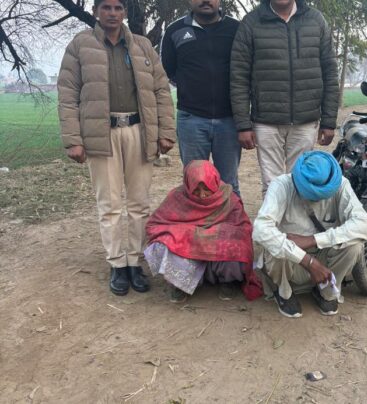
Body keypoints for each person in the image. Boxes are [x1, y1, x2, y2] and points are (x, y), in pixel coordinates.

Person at [57, 0, 176, 296]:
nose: (112, 13)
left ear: (124, 12)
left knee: (139, 202)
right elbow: (68, 93)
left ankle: (135, 261)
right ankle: (117, 264)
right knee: (109, 204)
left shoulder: (142, 46)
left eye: (118, 8)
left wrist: (165, 131)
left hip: (138, 131)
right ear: (96, 11)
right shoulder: (80, 45)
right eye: (106, 7)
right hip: (101, 134)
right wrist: (73, 139)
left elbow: (161, 90)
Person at [230, 0, 339, 195]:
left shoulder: (316, 20)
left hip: (305, 121)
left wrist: (329, 121)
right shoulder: (251, 23)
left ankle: (294, 217)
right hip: (266, 122)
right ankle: (274, 216)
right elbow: (238, 76)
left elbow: (330, 72)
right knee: (272, 186)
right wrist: (243, 125)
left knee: (300, 183)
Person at [253, 151, 367, 318]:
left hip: (323, 260)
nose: (317, 200)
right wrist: (308, 262)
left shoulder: (341, 184)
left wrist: (313, 240)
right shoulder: (281, 185)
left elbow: (362, 225)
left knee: (355, 245)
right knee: (274, 245)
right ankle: (284, 292)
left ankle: (326, 292)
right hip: (290, 262)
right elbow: (260, 230)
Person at [145, 160, 262, 302]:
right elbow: (155, 225)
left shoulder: (227, 196)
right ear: (188, 185)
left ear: (215, 183)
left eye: (207, 188)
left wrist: (208, 235)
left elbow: (242, 227)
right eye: (196, 190)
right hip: (189, 247)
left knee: (238, 244)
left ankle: (227, 281)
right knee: (162, 243)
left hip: (216, 248)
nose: (202, 195)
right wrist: (189, 234)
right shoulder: (178, 197)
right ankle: (180, 284)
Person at [160, 0, 242, 195]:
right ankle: (197, 217)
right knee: (195, 183)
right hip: (191, 119)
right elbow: (169, 70)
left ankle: (231, 216)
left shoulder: (236, 29)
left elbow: (246, 68)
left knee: (228, 183)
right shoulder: (175, 31)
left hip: (229, 119)